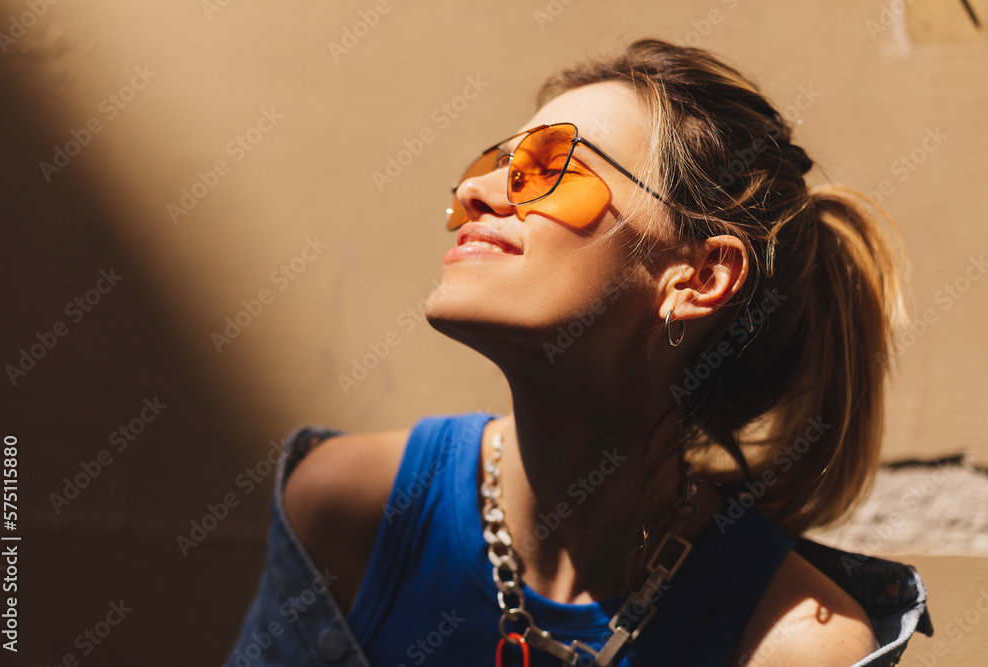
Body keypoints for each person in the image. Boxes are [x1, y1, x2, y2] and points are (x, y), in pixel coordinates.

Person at [229, 39, 931, 666]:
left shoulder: (797, 645)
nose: (474, 191)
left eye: (550, 167)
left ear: (700, 276)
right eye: (492, 163)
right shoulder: (350, 507)